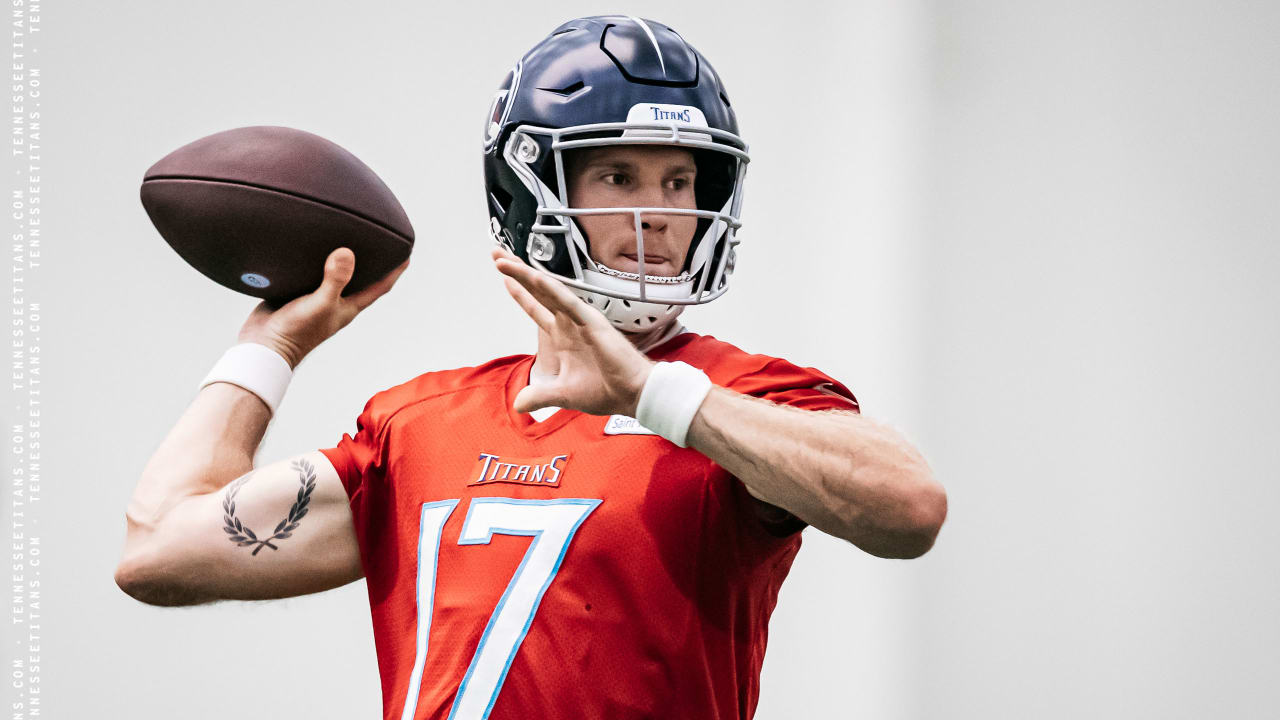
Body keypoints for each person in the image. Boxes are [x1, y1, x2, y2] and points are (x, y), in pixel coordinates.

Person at [114, 16, 947, 720]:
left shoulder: (742, 397)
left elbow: (908, 507)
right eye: (618, 176)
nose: (656, 214)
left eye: (680, 181)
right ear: (530, 187)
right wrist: (271, 346)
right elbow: (157, 549)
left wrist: (651, 392)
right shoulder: (422, 423)